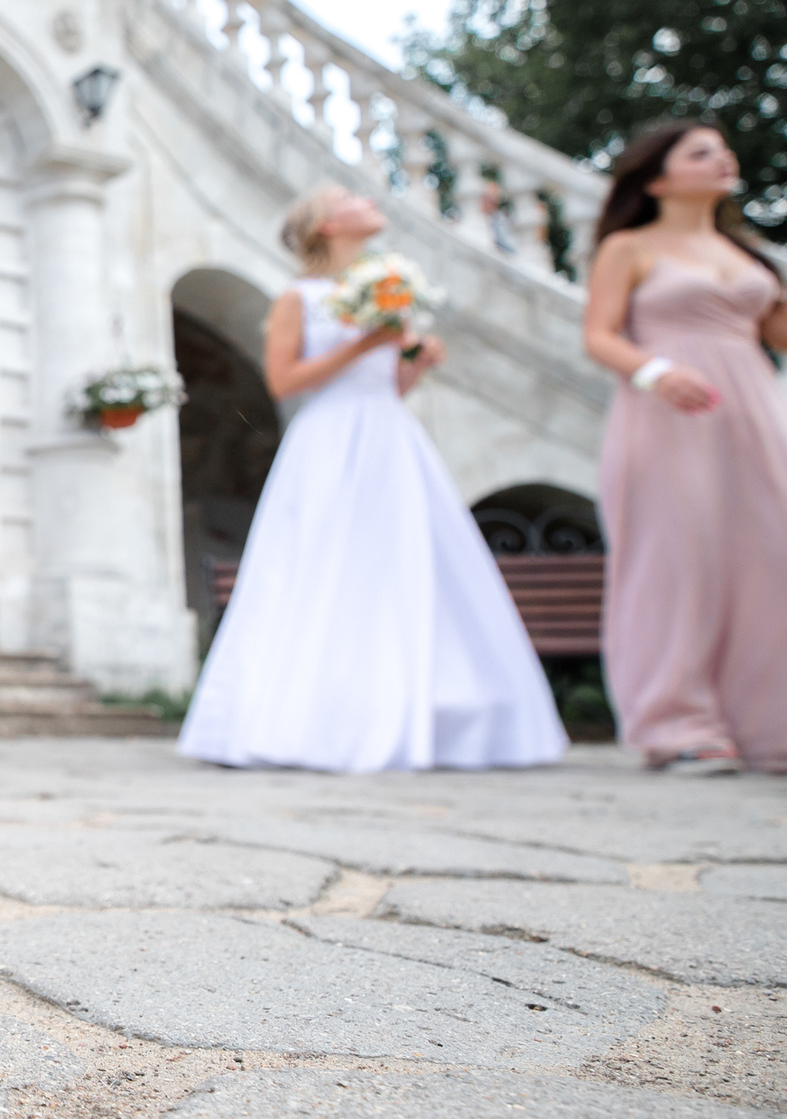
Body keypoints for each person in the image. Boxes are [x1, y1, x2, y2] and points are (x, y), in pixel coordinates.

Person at [178, 185, 567, 772]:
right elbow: (285, 383)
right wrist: (365, 344)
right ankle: (303, 717)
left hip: (391, 436)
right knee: (323, 561)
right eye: (348, 199)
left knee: (400, 562)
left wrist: (414, 364)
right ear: (325, 226)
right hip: (329, 440)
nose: (365, 201)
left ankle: (414, 707)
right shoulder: (299, 298)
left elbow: (389, 384)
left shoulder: (390, 291)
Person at [583, 122, 787, 773]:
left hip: (758, 414)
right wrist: (655, 373)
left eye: (722, 149)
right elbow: (599, 335)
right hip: (667, 416)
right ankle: (678, 724)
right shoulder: (628, 247)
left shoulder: (746, 254)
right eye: (700, 152)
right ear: (657, 178)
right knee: (680, 563)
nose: (722, 159)